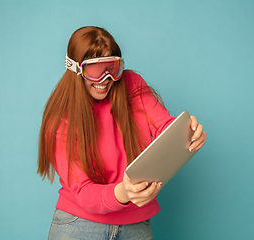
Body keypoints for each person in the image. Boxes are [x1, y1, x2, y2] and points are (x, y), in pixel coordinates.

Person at [37, 26, 206, 240]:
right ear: (76, 69)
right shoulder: (60, 119)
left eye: (112, 67)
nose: (106, 79)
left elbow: (164, 127)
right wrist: (124, 192)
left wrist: (188, 133)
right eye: (96, 70)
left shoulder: (131, 84)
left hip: (136, 224)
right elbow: (83, 191)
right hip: (78, 226)